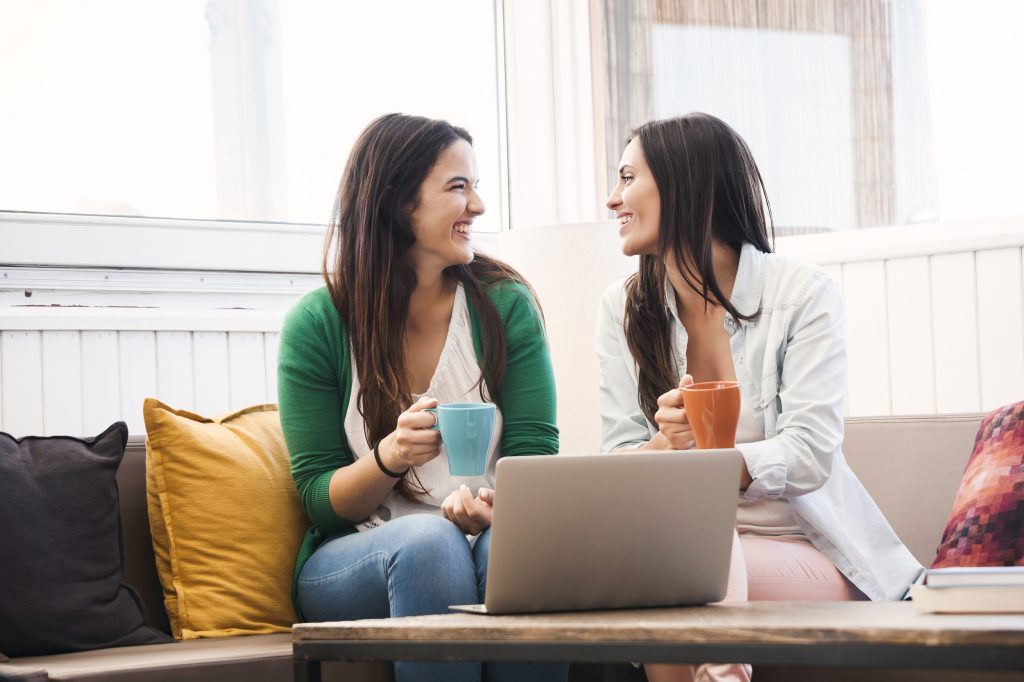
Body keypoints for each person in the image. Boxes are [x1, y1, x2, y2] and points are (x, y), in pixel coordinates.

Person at [596, 113, 922, 682]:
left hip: (809, 548)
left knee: (682, 543)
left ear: (684, 184)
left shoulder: (801, 294)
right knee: (680, 539)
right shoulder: (624, 309)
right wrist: (663, 447)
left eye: (627, 178)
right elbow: (619, 459)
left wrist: (709, 471)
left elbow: (811, 450)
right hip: (691, 548)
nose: (611, 199)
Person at [278, 113, 566, 682]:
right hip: (356, 555)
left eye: (475, 185)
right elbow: (318, 498)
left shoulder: (505, 308)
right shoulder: (318, 324)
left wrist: (494, 509)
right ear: (396, 203)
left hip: (480, 533)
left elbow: (536, 453)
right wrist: (388, 458)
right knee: (432, 541)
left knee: (520, 549)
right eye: (458, 187)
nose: (478, 206)